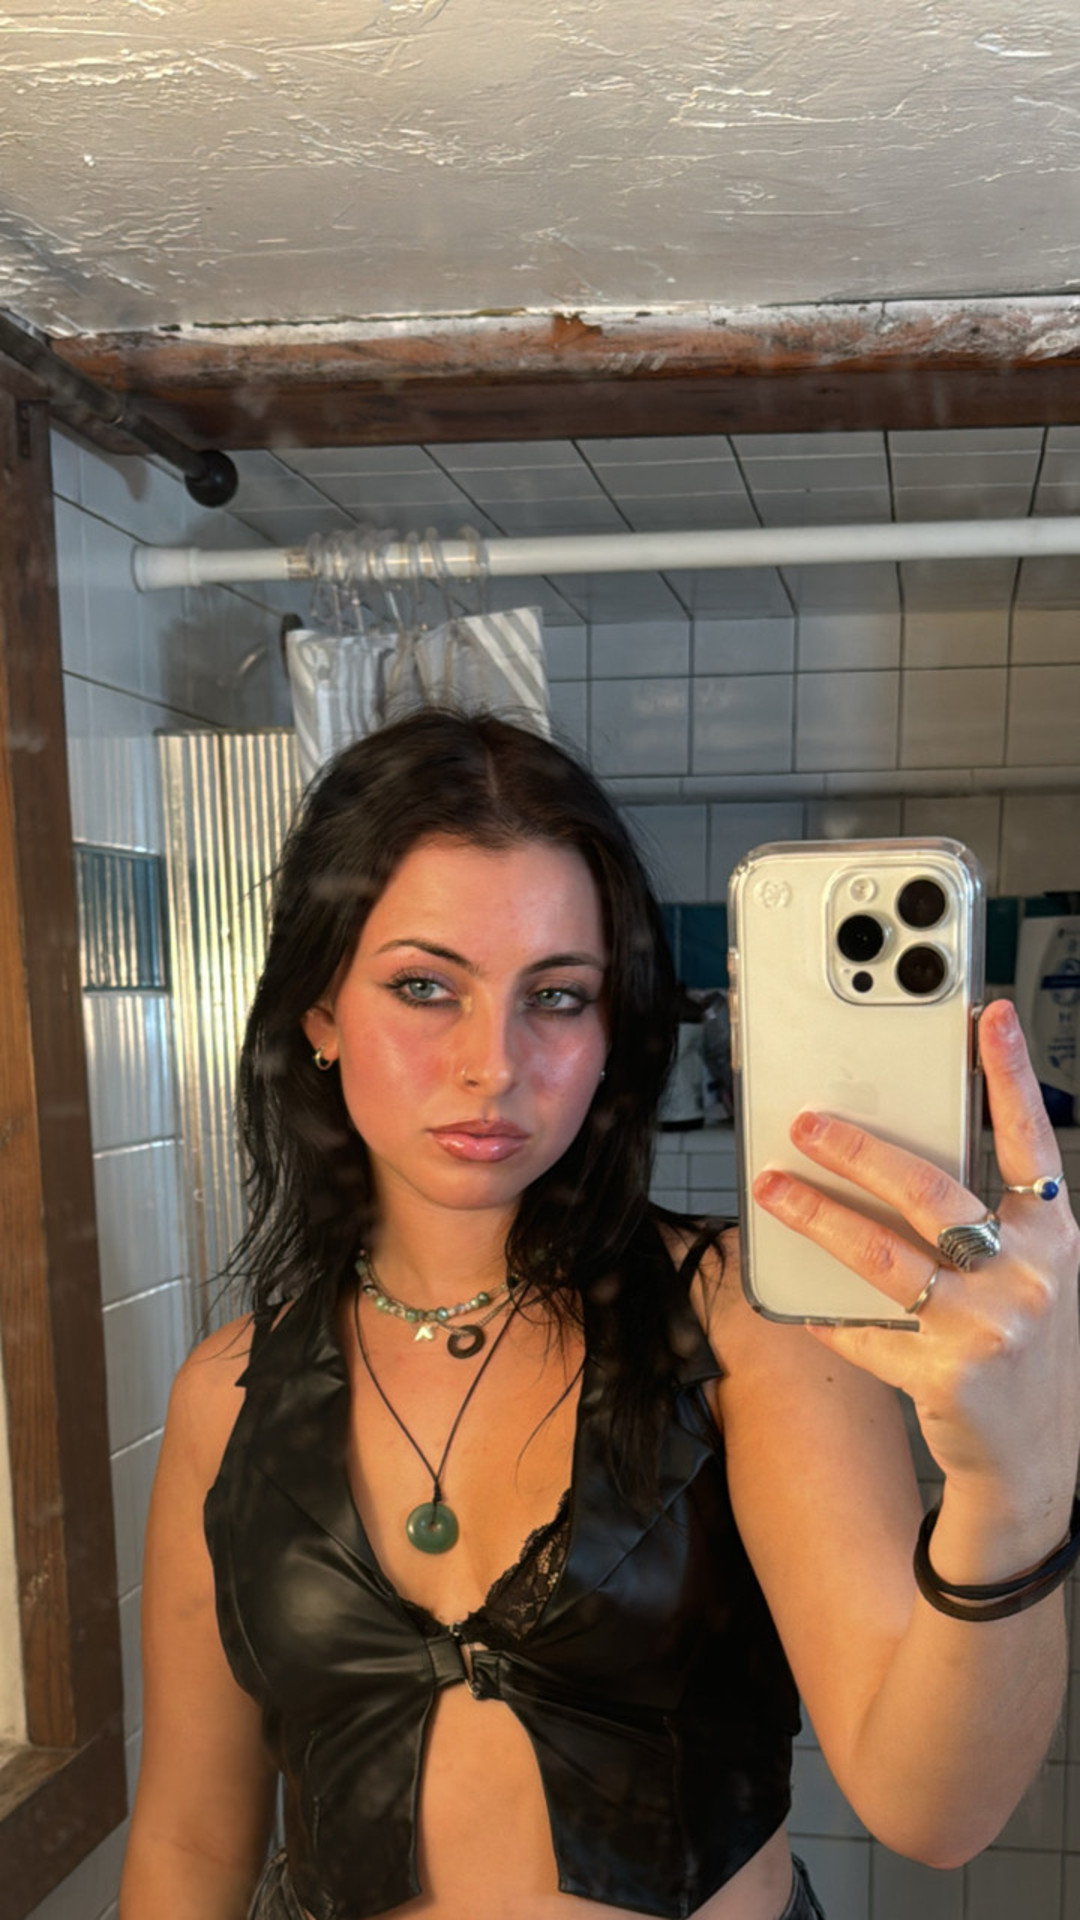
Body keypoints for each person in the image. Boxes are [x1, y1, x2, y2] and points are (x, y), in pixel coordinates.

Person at [120, 708, 1080, 1920]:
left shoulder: (739, 1323)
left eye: (558, 997)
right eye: (425, 987)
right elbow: (190, 1846)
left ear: (612, 1028)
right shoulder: (227, 1394)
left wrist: (1017, 1478)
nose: (495, 1064)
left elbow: (935, 1812)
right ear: (320, 1016)